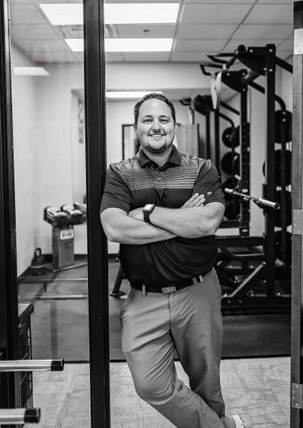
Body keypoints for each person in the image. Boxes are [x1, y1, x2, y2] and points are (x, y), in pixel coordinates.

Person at [100, 92, 244, 428]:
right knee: (150, 384)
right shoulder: (120, 173)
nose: (156, 126)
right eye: (147, 120)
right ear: (136, 128)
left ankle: (212, 423)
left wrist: (147, 213)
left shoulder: (201, 169)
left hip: (198, 292)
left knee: (206, 382)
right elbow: (114, 227)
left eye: (163, 119)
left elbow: (207, 222)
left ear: (174, 125)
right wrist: (181, 223)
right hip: (142, 297)